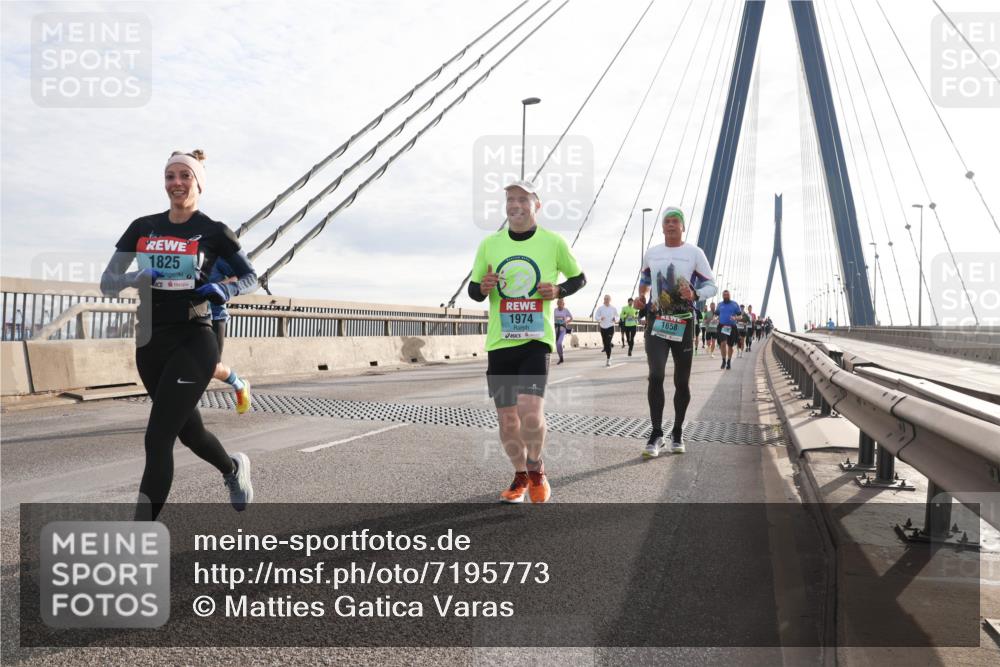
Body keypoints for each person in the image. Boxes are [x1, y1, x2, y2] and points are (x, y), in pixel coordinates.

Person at [101, 150, 256, 520]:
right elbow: (107, 283)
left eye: (184, 175)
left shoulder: (215, 231)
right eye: (170, 176)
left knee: (157, 439)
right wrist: (131, 279)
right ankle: (232, 469)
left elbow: (251, 277)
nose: (176, 183)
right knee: (189, 432)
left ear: (198, 182)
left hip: (194, 337)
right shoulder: (142, 227)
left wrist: (226, 291)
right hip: (149, 339)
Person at [468, 180, 586, 504]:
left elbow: (579, 278)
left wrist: (559, 290)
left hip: (535, 340)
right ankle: (520, 475)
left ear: (537, 205)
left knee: (530, 414)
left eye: (522, 199)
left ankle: (536, 468)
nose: (515, 205)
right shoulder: (490, 245)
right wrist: (484, 288)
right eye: (510, 199)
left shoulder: (553, 242)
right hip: (500, 342)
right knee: (508, 420)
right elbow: (474, 290)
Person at [636, 206, 717, 457]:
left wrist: (696, 294)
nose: (671, 225)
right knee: (656, 375)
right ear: (662, 227)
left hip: (683, 323)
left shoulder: (694, 253)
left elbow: (711, 285)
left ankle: (678, 431)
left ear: (682, 227)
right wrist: (642, 298)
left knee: (681, 381)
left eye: (675, 221)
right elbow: (645, 282)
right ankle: (656, 433)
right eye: (667, 221)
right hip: (657, 322)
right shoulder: (652, 253)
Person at [209, 256, 253, 413]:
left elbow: (239, 277)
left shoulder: (217, 256)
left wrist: (217, 287)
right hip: (190, 317)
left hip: (215, 316)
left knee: (213, 368)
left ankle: (240, 385)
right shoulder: (182, 251)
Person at [716, 290, 740, 370]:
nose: (726, 296)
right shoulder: (719, 305)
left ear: (729, 295)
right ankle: (723, 360)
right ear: (723, 296)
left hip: (732, 327)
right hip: (722, 326)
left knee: (730, 346)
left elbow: (740, 316)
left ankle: (729, 361)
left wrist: (735, 318)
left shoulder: (735, 304)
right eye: (724, 295)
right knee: (723, 343)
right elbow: (716, 314)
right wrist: (715, 318)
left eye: (727, 294)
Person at [595, 294, 618, 367]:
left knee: (607, 343)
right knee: (605, 344)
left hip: (610, 327)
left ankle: (608, 359)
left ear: (610, 300)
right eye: (605, 299)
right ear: (604, 300)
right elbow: (596, 316)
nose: (606, 300)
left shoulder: (613, 308)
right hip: (603, 327)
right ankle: (609, 354)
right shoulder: (600, 308)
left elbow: (617, 316)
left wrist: (615, 319)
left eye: (608, 299)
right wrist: (600, 318)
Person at [553, 298, 573, 364]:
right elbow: (551, 318)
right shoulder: (555, 310)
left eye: (562, 303)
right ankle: (560, 357)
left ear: (563, 304)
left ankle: (561, 357)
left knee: (559, 343)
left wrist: (566, 322)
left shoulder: (566, 310)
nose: (561, 304)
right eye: (559, 303)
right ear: (557, 303)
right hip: (556, 329)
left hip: (563, 329)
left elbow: (571, 318)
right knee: (557, 344)